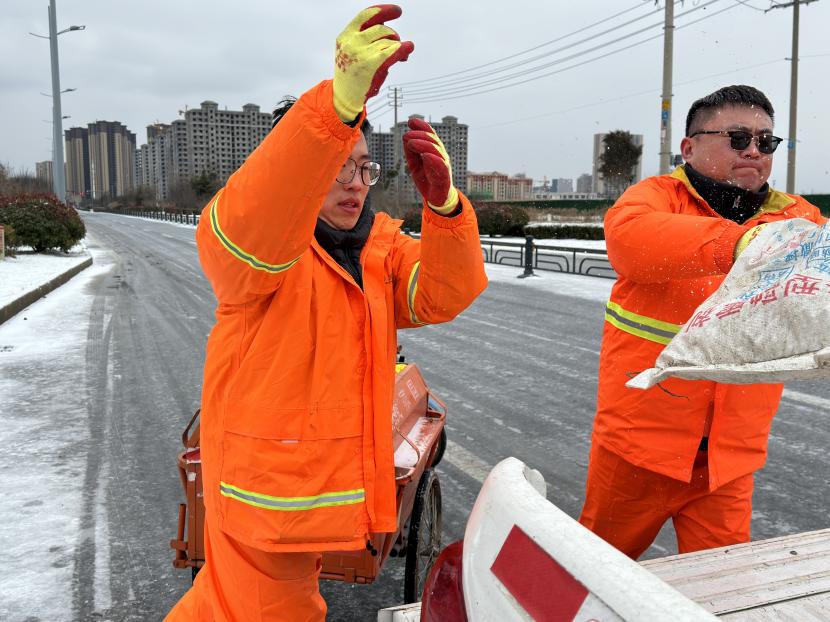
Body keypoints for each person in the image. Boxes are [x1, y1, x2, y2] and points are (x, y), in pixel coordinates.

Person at [166, 6, 487, 620]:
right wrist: (334, 111)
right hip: (265, 502)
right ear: (297, 167)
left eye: (363, 167)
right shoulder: (259, 247)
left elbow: (443, 293)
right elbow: (250, 228)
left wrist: (446, 208)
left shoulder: (377, 249)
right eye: (337, 164)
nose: (355, 182)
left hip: (318, 499)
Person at [579, 85, 826, 559]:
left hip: (727, 463)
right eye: (738, 138)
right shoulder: (655, 198)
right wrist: (739, 245)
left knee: (723, 589)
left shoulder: (797, 217)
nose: (754, 151)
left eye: (766, 141)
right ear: (689, 148)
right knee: (591, 574)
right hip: (637, 451)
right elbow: (630, 241)